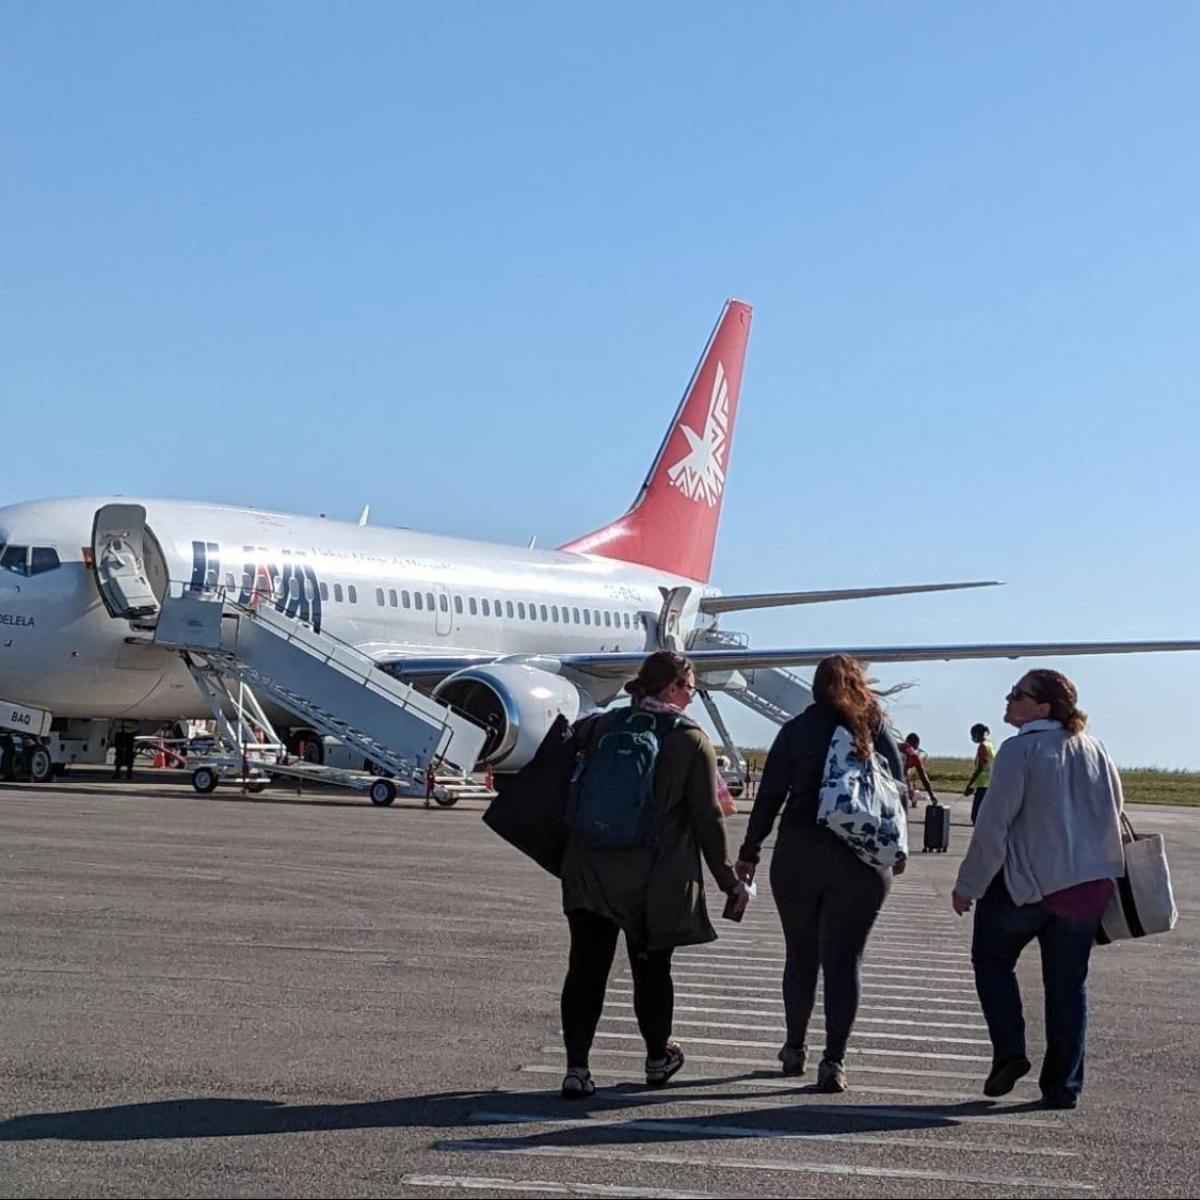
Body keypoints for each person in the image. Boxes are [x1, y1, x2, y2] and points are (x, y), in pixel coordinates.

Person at [558, 651, 739, 1099]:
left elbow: (562, 768)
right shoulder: (691, 741)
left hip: (590, 871)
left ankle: (577, 1069)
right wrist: (727, 880)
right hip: (652, 878)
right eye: (692, 689)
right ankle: (658, 1059)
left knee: (585, 968)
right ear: (673, 688)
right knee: (652, 968)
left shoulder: (600, 726)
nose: (693, 698)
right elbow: (708, 819)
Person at [952, 669, 1124, 1110]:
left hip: (1026, 887)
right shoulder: (1096, 749)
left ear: (1042, 707)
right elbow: (1114, 810)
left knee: (991, 962)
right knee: (1068, 987)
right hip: (1085, 889)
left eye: (1017, 694)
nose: (1008, 700)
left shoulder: (1018, 750)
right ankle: (1063, 1086)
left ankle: (1010, 1052)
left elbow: (993, 828)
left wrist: (968, 885)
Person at [735, 653, 905, 1094]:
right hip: (861, 860)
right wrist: (896, 849)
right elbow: (898, 792)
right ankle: (834, 1060)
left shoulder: (795, 730)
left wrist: (750, 852)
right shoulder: (874, 728)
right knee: (846, 960)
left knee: (801, 955)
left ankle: (793, 1048)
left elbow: (770, 795)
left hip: (798, 853)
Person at [963, 723, 996, 825]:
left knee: (976, 816)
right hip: (991, 782)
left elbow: (981, 767)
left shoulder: (983, 746)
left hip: (983, 784)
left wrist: (970, 784)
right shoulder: (991, 744)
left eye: (973, 735)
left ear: (977, 734)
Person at [900, 732, 937, 808]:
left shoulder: (897, 746)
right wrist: (931, 795)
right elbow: (924, 778)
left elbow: (904, 772)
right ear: (916, 744)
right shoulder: (914, 756)